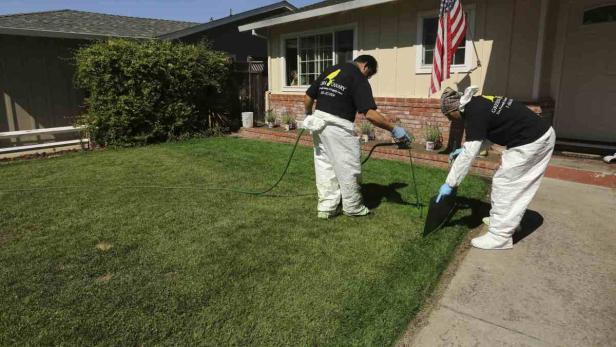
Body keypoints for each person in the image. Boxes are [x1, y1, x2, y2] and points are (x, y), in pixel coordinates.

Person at [437, 86, 556, 250]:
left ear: (453, 109)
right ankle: (505, 222)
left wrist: (450, 183)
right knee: (509, 183)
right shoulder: (478, 103)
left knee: (506, 184)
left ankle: (500, 236)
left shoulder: (473, 113)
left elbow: (469, 155)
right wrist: (465, 149)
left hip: (533, 140)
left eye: (449, 116)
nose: (451, 120)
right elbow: (489, 134)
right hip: (537, 134)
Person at [302, 55, 412, 219]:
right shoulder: (358, 77)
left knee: (325, 166)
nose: (368, 77)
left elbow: (308, 97)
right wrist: (394, 129)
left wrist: (308, 115)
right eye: (370, 74)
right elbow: (370, 114)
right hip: (337, 126)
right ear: (366, 66)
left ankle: (327, 208)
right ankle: (353, 207)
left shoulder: (331, 70)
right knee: (348, 167)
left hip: (318, 124)